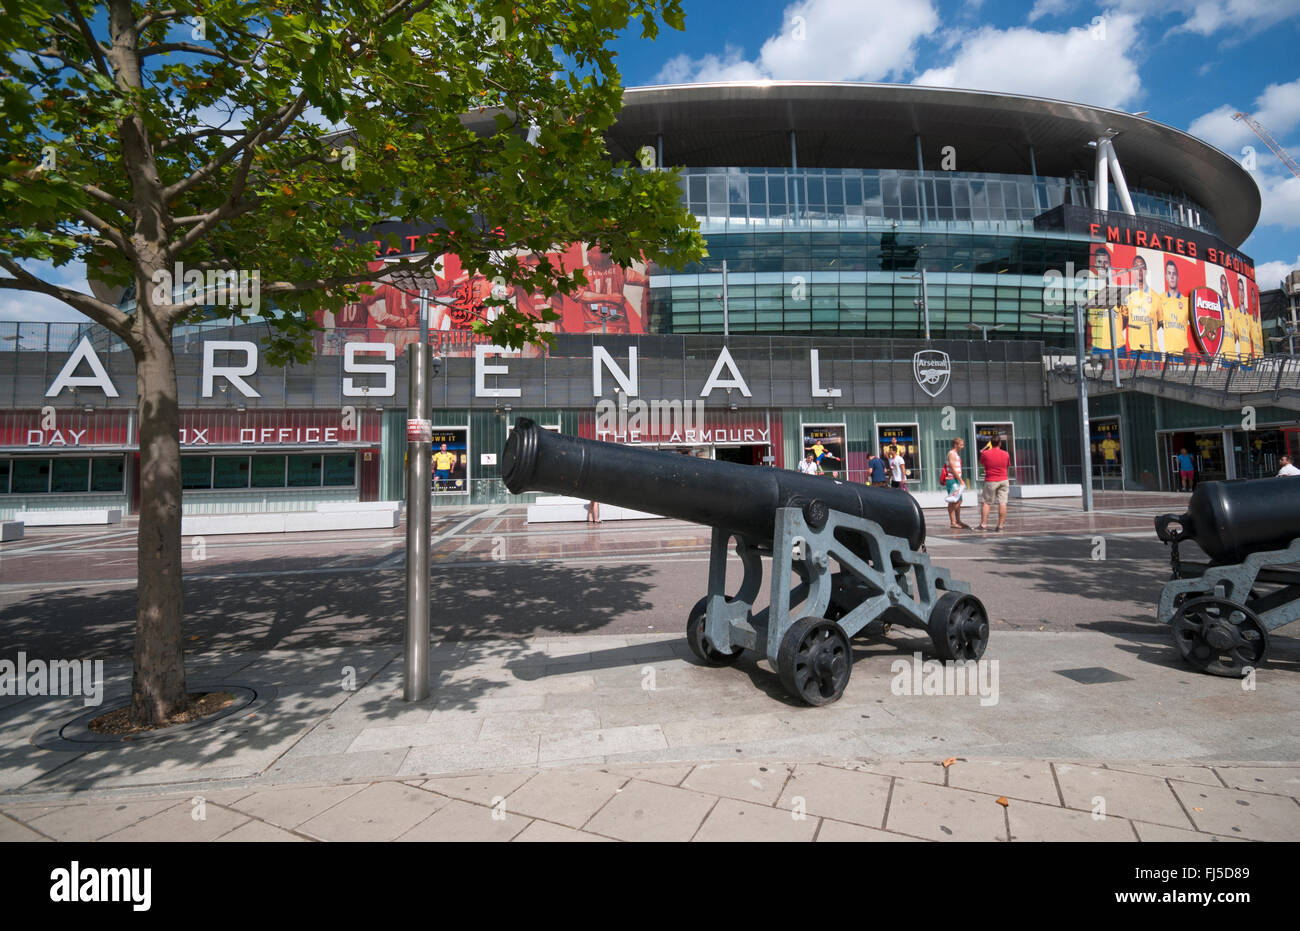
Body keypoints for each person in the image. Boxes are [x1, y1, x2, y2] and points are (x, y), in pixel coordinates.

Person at [976, 433, 1012, 532]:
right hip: (1004, 479)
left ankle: (983, 525)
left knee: (986, 503)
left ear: (991, 443)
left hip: (990, 480)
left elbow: (982, 463)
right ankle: (1000, 526)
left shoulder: (985, 454)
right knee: (1003, 503)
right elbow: (1007, 465)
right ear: (1000, 443)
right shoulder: (1006, 454)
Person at [944, 437, 969, 529]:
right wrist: (961, 480)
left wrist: (959, 480)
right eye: (961, 444)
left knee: (959, 500)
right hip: (952, 480)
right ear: (955, 445)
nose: (962, 446)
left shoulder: (956, 454)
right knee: (953, 501)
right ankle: (953, 522)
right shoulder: (952, 454)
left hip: (956, 480)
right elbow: (953, 468)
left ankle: (958, 520)